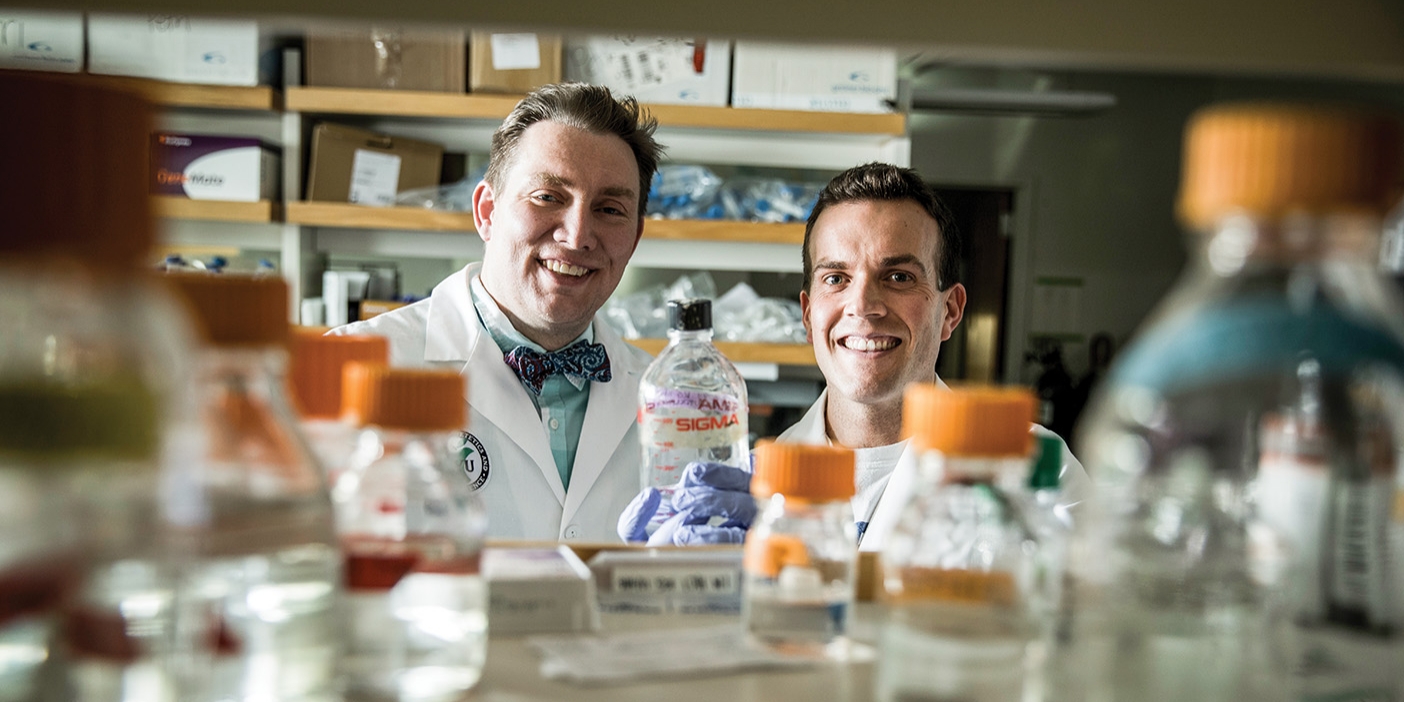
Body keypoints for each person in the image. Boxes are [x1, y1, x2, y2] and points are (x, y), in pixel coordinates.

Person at [619, 163, 1090, 548]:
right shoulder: (752, 486)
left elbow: (1090, 646)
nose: (863, 305)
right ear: (807, 315)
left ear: (951, 310)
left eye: (899, 277)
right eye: (835, 278)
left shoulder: (1035, 471)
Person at [330, 83, 664, 542]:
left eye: (610, 209)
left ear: (635, 237)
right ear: (487, 211)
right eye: (548, 197)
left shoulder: (663, 397)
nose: (577, 235)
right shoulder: (355, 365)